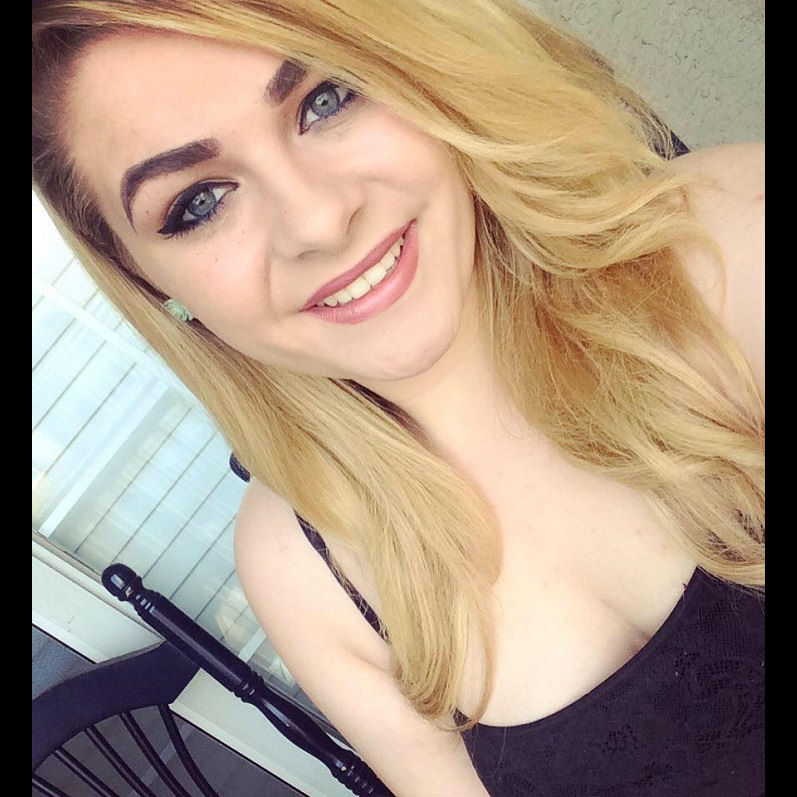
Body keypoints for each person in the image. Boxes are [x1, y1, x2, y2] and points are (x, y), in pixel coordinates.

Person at [32, 1, 764, 794]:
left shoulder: (729, 241)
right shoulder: (299, 565)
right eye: (199, 203)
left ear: (419, 73)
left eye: (325, 99)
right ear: (153, 286)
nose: (317, 220)